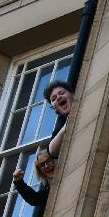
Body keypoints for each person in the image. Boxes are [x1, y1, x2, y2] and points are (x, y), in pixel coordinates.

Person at [11, 79, 73, 207]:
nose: (46, 166)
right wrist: (18, 182)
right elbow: (35, 199)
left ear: (71, 93)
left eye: (61, 93)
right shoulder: (50, 187)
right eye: (53, 99)